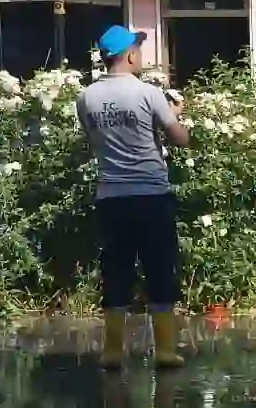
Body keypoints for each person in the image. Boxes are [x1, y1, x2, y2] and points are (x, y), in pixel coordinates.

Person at [78, 25, 190, 368]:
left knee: (116, 272)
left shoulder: (86, 98)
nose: (140, 55)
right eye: (138, 49)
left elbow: (94, 138)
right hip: (151, 195)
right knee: (160, 269)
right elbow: (179, 139)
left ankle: (113, 351)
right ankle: (167, 351)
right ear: (128, 55)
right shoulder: (149, 94)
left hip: (111, 198)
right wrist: (178, 116)